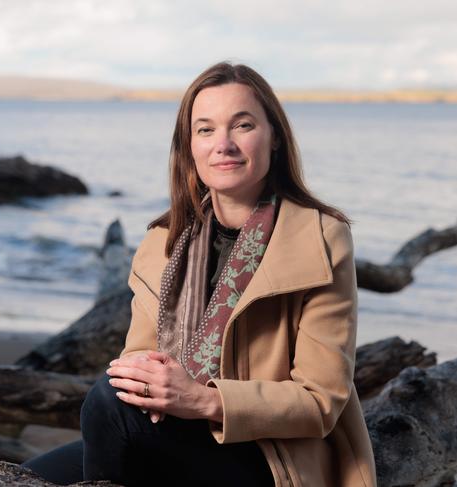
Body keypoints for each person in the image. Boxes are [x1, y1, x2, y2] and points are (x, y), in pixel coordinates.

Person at [23, 61, 378, 486]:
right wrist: (153, 386)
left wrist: (202, 400)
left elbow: (321, 402)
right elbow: (138, 365)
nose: (223, 144)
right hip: (171, 433)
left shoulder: (320, 236)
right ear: (189, 145)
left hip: (273, 458)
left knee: (106, 402)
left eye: (242, 125)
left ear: (276, 137)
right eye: (205, 130)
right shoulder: (163, 240)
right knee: (26, 476)